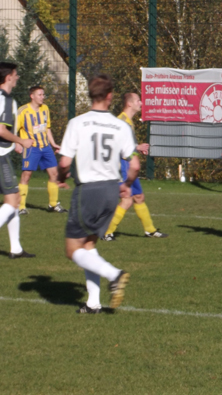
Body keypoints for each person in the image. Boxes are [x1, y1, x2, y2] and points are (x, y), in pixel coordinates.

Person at [57, 75, 136, 313]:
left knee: (72, 250)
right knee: (89, 244)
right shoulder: (120, 125)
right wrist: (126, 184)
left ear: (91, 94)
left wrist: (61, 178)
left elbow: (64, 163)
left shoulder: (77, 123)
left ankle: (115, 274)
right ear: (110, 96)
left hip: (88, 191)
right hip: (111, 190)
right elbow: (134, 165)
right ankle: (93, 303)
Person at [101, 92, 167, 240]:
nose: (141, 103)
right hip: (123, 165)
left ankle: (150, 230)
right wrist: (136, 148)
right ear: (129, 103)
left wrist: (137, 147)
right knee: (127, 200)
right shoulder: (121, 122)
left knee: (139, 197)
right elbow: (115, 145)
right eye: (138, 101)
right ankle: (107, 232)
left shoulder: (128, 121)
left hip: (129, 164)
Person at [0, 62, 36, 259]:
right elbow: (1, 130)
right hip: (0, 155)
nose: (17, 77)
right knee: (14, 201)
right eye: (15, 74)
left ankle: (16, 249)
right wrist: (21, 140)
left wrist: (14, 143)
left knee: (11, 200)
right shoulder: (5, 100)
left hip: (4, 151)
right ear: (8, 78)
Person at [16, 85, 66, 214]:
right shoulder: (23, 111)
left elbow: (47, 128)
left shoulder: (45, 109)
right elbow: (13, 129)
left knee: (54, 174)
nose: (42, 97)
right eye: (40, 94)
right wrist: (18, 143)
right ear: (32, 96)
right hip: (31, 148)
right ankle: (21, 207)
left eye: (43, 94)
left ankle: (53, 204)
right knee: (26, 176)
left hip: (46, 147)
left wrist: (53, 143)